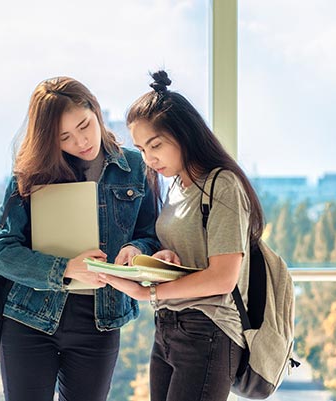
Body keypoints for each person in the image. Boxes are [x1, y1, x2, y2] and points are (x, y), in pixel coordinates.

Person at [0, 76, 159, 401]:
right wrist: (65, 268)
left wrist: (136, 249)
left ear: (95, 109)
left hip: (100, 322)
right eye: (64, 136)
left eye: (84, 125)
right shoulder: (31, 171)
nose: (81, 141)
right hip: (30, 318)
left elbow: (151, 235)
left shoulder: (135, 166)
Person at [98, 70, 265, 401]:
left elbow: (223, 278)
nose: (149, 158)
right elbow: (189, 255)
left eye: (156, 145)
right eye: (142, 149)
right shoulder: (176, 186)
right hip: (167, 329)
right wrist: (163, 259)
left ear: (184, 133)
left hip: (208, 331)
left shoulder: (222, 185)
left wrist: (153, 295)